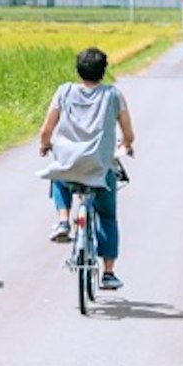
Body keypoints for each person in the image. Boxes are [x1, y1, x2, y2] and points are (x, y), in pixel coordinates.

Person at [37, 44, 135, 279]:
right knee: (108, 217)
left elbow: (46, 130)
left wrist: (45, 145)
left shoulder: (64, 91)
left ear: (78, 70)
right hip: (100, 167)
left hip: (69, 164)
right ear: (104, 70)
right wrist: (127, 144)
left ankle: (63, 221)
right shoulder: (113, 95)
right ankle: (109, 273)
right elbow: (128, 133)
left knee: (59, 176)